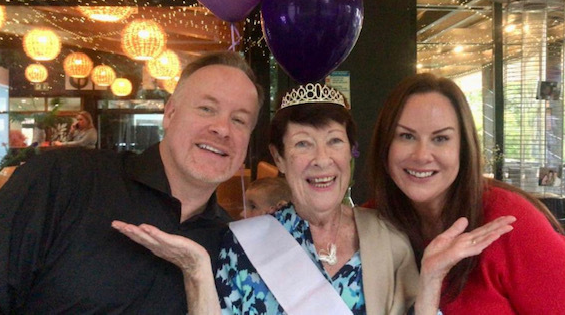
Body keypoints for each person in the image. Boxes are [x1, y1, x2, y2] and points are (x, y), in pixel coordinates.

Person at [113, 83, 515, 315]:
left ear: (350, 153)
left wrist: (429, 280)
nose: (322, 160)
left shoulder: (389, 240)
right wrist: (198, 269)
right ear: (280, 159)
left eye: (334, 142)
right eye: (303, 144)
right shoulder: (240, 244)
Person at [0, 51, 264, 314]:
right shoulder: (64, 178)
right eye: (207, 108)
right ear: (169, 114)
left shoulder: (230, 247)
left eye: (239, 120)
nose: (222, 129)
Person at [367, 73, 565, 314]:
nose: (421, 155)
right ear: (385, 145)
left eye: (440, 138)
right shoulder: (365, 226)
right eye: (406, 136)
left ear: (463, 149)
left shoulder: (510, 223)